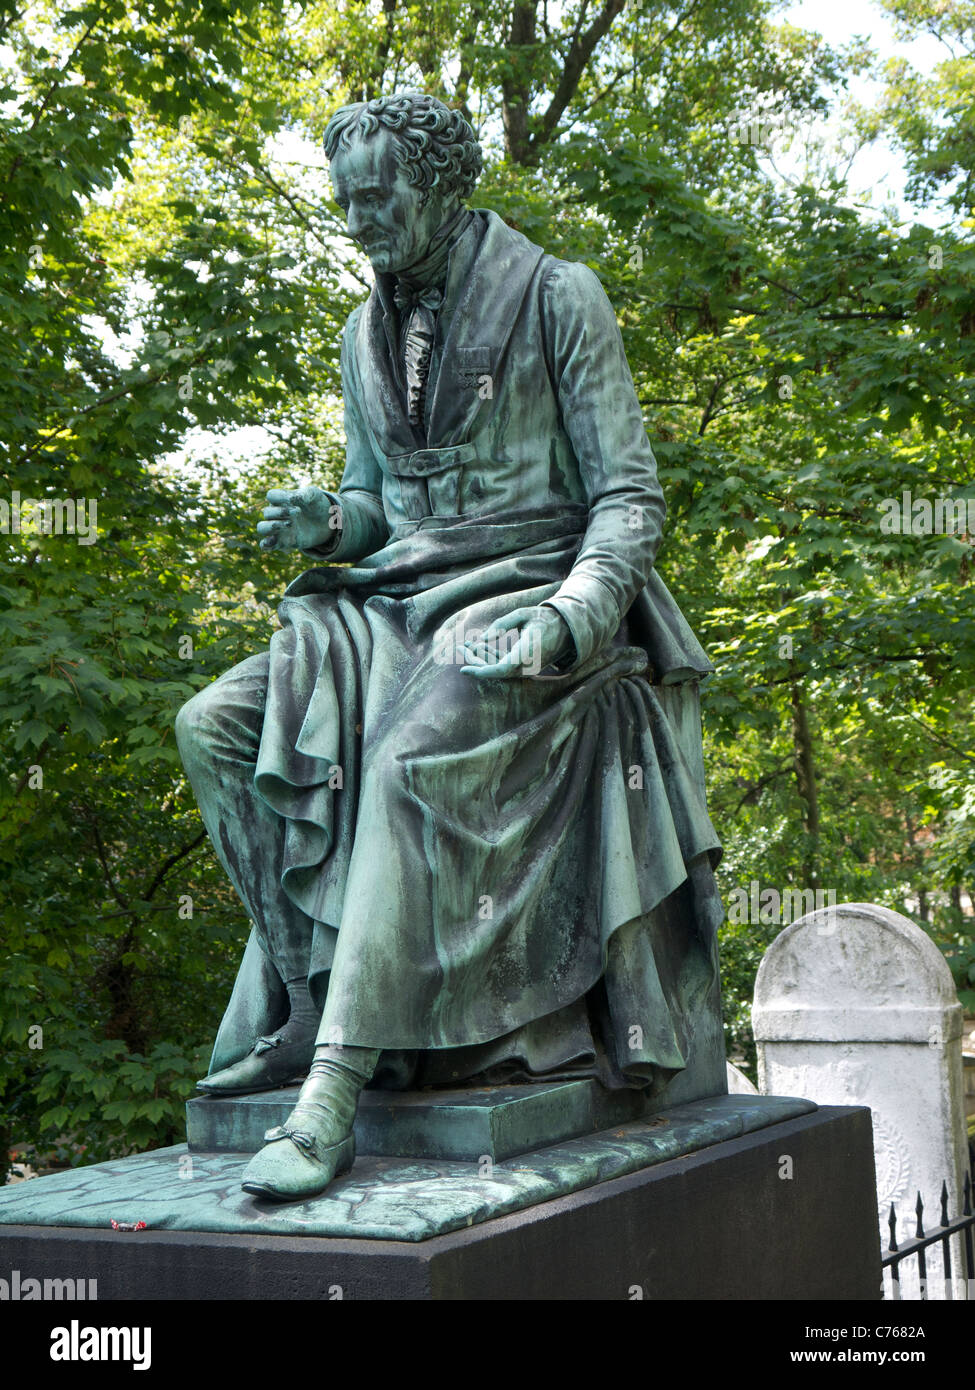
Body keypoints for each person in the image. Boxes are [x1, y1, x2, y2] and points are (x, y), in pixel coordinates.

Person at [175, 92, 724, 1202]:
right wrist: (329, 523)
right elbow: (377, 502)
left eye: (377, 197)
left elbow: (626, 496)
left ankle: (333, 1091)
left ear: (440, 183)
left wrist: (575, 612)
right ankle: (308, 999)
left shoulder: (557, 294)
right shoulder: (358, 331)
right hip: (394, 597)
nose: (358, 219)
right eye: (346, 201)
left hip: (525, 595)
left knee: (405, 756)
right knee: (214, 727)